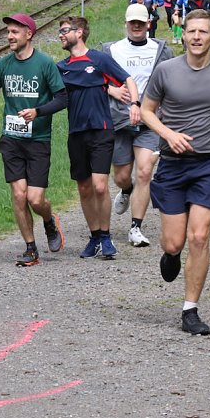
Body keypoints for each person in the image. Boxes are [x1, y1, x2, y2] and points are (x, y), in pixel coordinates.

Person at [140, 9, 210, 335]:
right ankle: (171, 255)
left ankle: (190, 310)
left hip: (209, 164)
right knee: (174, 243)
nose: (197, 37)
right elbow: (146, 111)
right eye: (192, 31)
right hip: (173, 165)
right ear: (183, 34)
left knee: (199, 236)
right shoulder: (166, 71)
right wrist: (168, 134)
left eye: (204, 32)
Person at [0, 13, 68, 266]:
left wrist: (38, 112)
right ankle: (30, 248)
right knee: (19, 195)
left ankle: (49, 221)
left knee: (35, 199)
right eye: (8, 32)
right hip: (11, 138)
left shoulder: (45, 64)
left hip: (38, 139)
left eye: (15, 32)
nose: (9, 36)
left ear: (29, 34)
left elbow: (62, 98)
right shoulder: (4, 64)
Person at [56, 16, 140, 260]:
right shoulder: (61, 67)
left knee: (100, 186)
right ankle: (94, 236)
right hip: (76, 133)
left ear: (79, 32)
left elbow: (128, 79)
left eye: (64, 30)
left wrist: (134, 104)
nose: (60, 35)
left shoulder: (99, 59)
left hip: (102, 130)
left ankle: (106, 236)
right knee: (84, 188)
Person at [101, 4, 173, 247]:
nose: (136, 26)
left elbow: (170, 82)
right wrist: (111, 90)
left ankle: (136, 227)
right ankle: (126, 190)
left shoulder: (161, 50)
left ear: (149, 24)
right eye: (132, 22)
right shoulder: (110, 50)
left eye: (141, 23)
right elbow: (94, 78)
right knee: (121, 176)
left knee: (144, 171)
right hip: (119, 122)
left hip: (150, 121)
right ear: (125, 23)